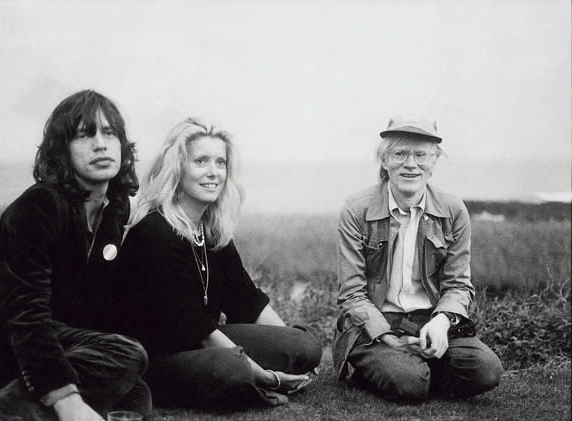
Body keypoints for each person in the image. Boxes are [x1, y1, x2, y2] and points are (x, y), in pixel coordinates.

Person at [0, 90, 151, 421]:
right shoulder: (38, 208)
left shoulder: (116, 207)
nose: (101, 143)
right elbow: (26, 315)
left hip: (33, 347)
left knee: (136, 391)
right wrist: (69, 401)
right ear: (62, 151)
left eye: (110, 133)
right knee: (124, 355)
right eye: (85, 134)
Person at [96, 117, 322, 409]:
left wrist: (289, 340)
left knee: (305, 345)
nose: (213, 172)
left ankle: (242, 376)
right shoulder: (155, 232)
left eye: (220, 163)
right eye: (201, 161)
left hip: (203, 345)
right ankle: (242, 383)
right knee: (232, 368)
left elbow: (247, 300)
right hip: (153, 357)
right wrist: (268, 377)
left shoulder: (212, 231)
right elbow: (197, 331)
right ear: (178, 169)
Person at [333, 114, 503, 401]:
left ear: (434, 162)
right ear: (384, 160)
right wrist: (387, 337)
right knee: (410, 383)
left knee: (487, 370)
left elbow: (459, 286)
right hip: (375, 325)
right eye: (400, 154)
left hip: (430, 322)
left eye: (421, 155)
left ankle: (412, 368)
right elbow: (352, 294)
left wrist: (441, 323)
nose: (410, 164)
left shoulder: (454, 210)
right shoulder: (355, 210)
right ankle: (392, 367)